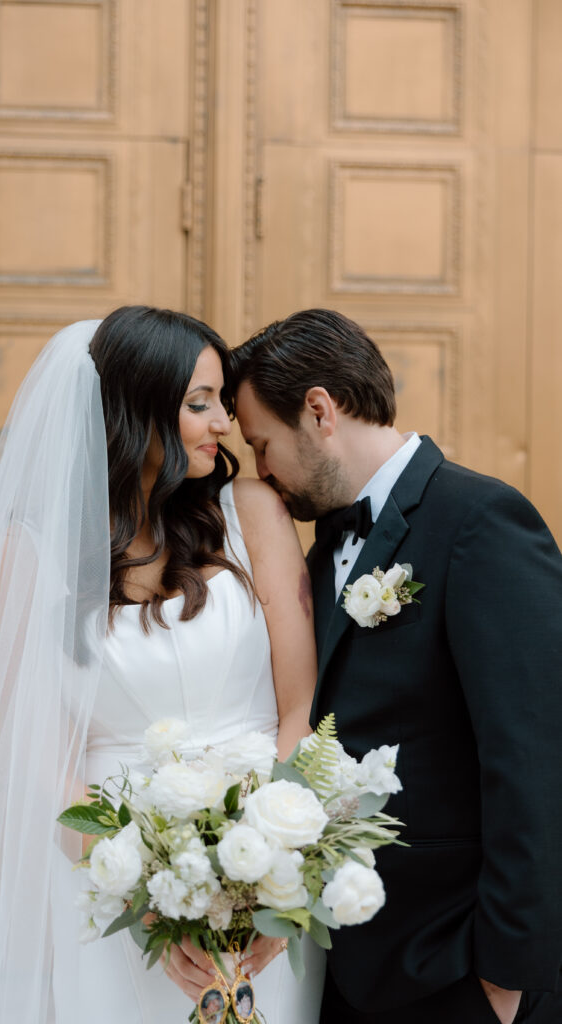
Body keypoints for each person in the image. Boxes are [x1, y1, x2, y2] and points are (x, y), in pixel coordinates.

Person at [0, 307, 324, 1024]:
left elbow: (299, 710)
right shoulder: (24, 556)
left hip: (263, 875)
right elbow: (34, 758)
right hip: (115, 885)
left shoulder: (250, 512)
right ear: (134, 408)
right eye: (198, 403)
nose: (223, 424)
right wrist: (151, 895)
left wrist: (272, 874)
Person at [230, 307, 562, 1024]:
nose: (260, 473)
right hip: (344, 967)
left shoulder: (480, 521)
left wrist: (505, 980)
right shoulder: (317, 553)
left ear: (318, 410)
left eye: (261, 445)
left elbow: (534, 759)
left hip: (456, 969)